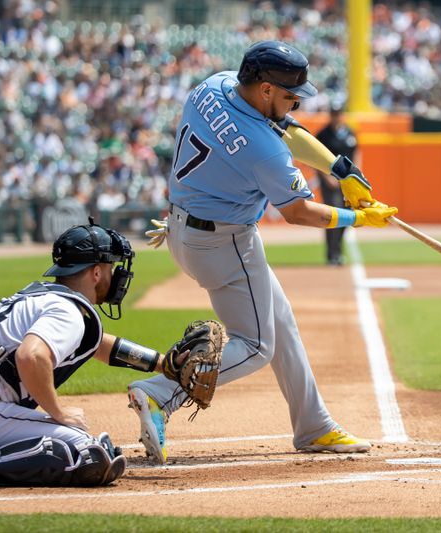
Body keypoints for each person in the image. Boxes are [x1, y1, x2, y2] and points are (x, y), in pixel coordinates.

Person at [131, 40, 397, 464]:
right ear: (266, 90)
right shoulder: (263, 149)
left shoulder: (212, 86)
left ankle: (314, 425)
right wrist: (357, 219)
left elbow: (287, 130)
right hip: (225, 242)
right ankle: (161, 394)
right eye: (290, 95)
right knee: (256, 346)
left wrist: (340, 169)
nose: (295, 104)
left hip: (185, 226)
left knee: (281, 322)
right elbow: (298, 211)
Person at [0, 220, 212, 487]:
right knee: (90, 453)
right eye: (111, 267)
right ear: (95, 272)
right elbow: (31, 356)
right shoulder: (68, 311)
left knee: (87, 448)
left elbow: (99, 346)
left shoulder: (39, 297)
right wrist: (58, 412)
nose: (115, 274)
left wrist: (165, 364)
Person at [315, 106, 359, 266]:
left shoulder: (350, 132)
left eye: (339, 114)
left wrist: (357, 175)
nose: (336, 117)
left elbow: (357, 152)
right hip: (331, 181)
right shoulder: (323, 134)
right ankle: (332, 254)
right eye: (334, 114)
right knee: (334, 214)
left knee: (348, 214)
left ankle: (338, 250)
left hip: (348, 181)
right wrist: (327, 178)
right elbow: (316, 157)